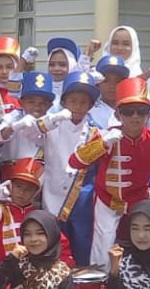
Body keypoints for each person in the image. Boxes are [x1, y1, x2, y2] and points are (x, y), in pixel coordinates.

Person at [90, 77, 150, 270]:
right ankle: (102, 284)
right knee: (102, 248)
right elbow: (75, 162)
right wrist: (102, 145)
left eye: (141, 111)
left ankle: (146, 279)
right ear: (118, 114)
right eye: (128, 111)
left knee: (146, 241)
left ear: (149, 114)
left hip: (139, 200)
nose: (135, 116)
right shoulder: (105, 136)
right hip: (107, 200)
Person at [0, 158, 73, 267]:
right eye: (18, 186)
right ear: (10, 186)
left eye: (28, 189)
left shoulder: (43, 217)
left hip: (37, 270)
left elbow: (62, 246)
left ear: (35, 192)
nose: (22, 192)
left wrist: (62, 267)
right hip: (6, 270)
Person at [44, 72, 105, 264]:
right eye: (73, 101)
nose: (78, 106)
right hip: (52, 190)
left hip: (83, 194)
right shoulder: (52, 124)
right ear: (63, 102)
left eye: (83, 102)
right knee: (55, 240)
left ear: (91, 105)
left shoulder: (96, 131)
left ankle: (82, 276)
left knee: (82, 238)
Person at [0, 70, 53, 179]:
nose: (37, 106)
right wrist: (13, 128)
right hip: (11, 173)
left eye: (42, 103)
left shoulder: (51, 121)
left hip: (40, 175)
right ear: (21, 102)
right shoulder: (13, 117)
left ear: (50, 105)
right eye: (31, 102)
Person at [89, 55, 130, 127]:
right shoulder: (90, 111)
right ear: (97, 84)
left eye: (117, 81)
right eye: (106, 81)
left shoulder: (132, 111)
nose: (112, 85)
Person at [43, 37, 85, 105]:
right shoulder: (42, 89)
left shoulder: (81, 91)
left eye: (62, 65)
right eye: (51, 64)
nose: (56, 68)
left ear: (72, 66)